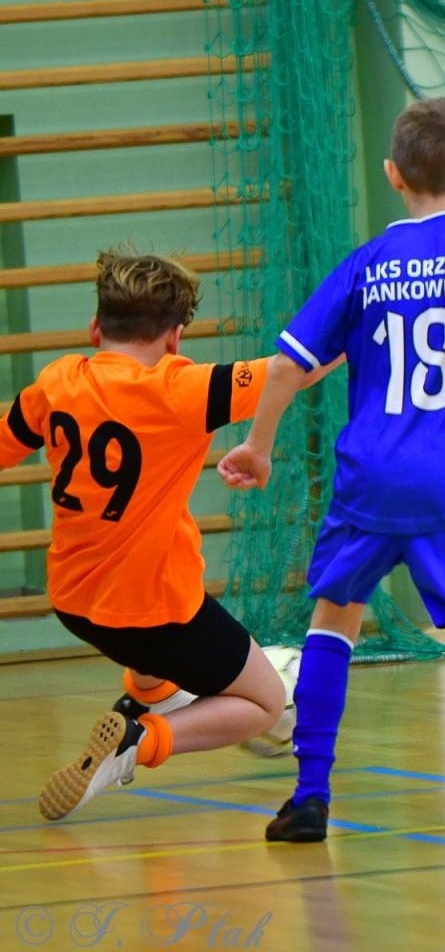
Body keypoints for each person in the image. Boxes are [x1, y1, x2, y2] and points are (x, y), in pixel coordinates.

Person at [217, 97, 445, 842]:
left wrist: (257, 447)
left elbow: (287, 369)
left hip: (370, 477)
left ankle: (311, 794)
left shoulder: (364, 266)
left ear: (392, 175)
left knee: (334, 622)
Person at [0, 250, 307, 821]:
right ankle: (138, 742)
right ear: (175, 337)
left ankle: (141, 698)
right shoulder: (180, 389)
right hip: (156, 611)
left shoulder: (57, 381)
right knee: (264, 704)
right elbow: (293, 367)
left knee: (157, 670)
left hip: (74, 603)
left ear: (95, 327)